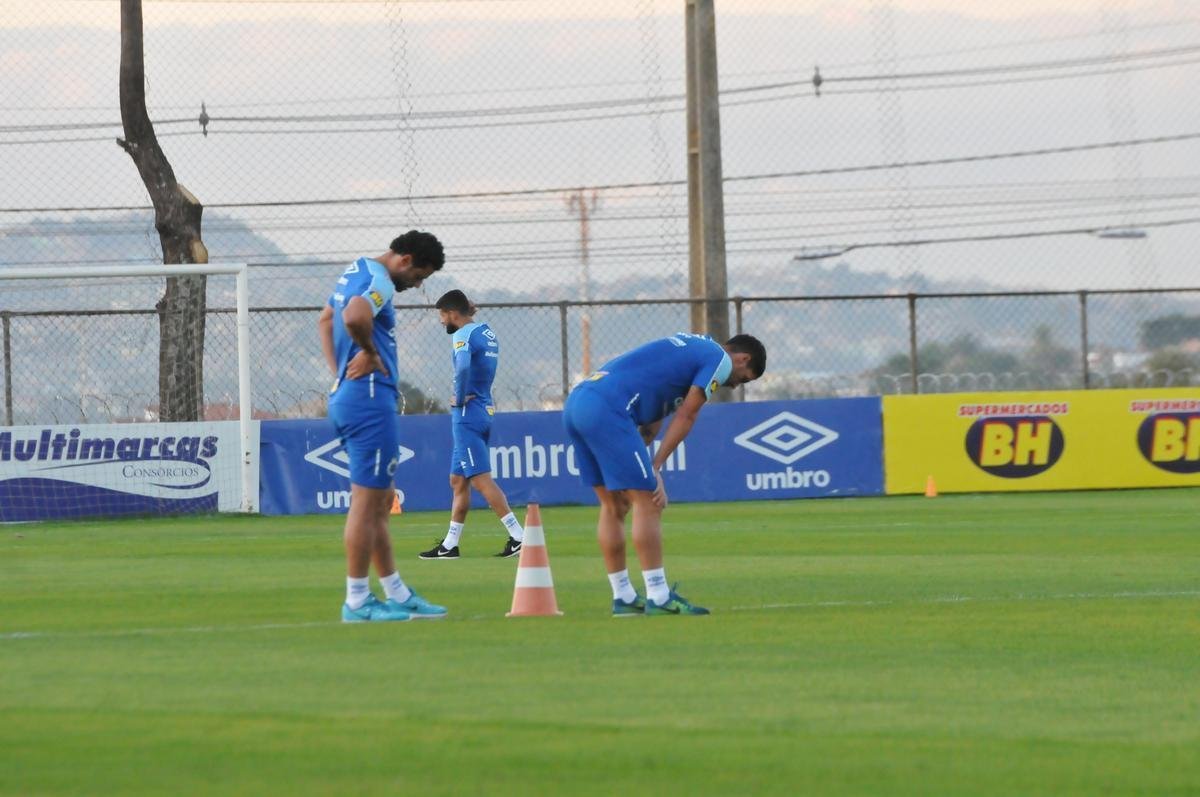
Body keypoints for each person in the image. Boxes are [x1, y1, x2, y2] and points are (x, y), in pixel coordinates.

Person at [562, 332, 767, 616]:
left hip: (578, 402)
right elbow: (687, 415)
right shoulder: (718, 359)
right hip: (608, 408)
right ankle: (658, 596)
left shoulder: (691, 351)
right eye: (743, 378)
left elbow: (652, 419)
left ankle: (623, 596)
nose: (733, 385)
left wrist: (643, 461)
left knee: (615, 505)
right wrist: (655, 468)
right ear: (743, 359)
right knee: (648, 502)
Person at [318, 230, 449, 622]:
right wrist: (371, 355)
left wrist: (339, 374)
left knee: (379, 497)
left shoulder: (355, 269)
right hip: (369, 400)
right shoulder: (379, 282)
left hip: (350, 397)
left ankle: (396, 591)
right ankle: (356, 600)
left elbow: (325, 319)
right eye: (420, 275)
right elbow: (353, 316)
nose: (418, 284)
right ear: (405, 260)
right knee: (366, 501)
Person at [419, 290, 525, 560]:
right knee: (458, 480)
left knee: (479, 479)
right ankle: (450, 545)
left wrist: (460, 394)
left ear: (453, 313)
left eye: (442, 316)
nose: (442, 322)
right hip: (482, 409)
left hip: (467, 413)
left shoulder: (462, 335)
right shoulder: (486, 332)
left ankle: (519, 536)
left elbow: (464, 366)